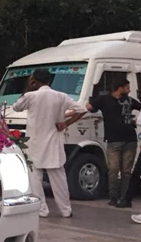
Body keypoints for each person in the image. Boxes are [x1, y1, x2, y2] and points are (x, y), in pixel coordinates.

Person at [13, 69, 86, 218]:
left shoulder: (31, 95)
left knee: (35, 178)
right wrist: (66, 123)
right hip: (54, 143)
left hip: (34, 143)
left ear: (34, 80)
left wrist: (28, 87)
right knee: (59, 178)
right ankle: (66, 210)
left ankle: (42, 210)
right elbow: (82, 109)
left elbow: (16, 107)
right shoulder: (61, 96)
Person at [87, 79, 141, 207]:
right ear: (120, 88)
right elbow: (89, 107)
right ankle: (113, 196)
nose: (129, 89)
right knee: (114, 169)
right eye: (127, 87)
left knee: (126, 170)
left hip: (130, 139)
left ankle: (124, 198)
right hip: (113, 139)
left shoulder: (130, 100)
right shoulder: (104, 99)